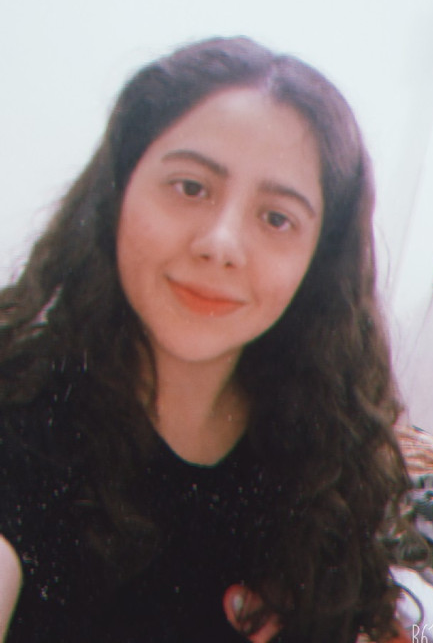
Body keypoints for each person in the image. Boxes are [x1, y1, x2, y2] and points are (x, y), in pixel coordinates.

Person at [0, 37, 407, 642]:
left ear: (316, 264)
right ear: (119, 191)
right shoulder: (21, 421)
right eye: (190, 187)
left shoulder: (325, 460)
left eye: (276, 218)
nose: (221, 243)